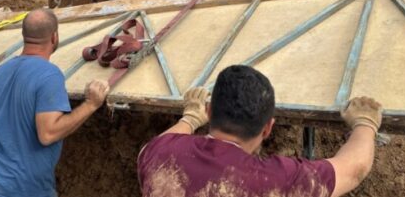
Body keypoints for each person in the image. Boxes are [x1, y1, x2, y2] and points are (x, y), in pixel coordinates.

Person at [138, 65, 382, 197]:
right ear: (268, 129)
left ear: (210, 113)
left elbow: (167, 140)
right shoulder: (277, 181)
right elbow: (353, 170)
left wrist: (190, 118)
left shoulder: (156, 154)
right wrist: (366, 123)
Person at [0, 8, 110, 197]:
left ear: (24, 35)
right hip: (22, 190)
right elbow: (48, 133)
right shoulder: (49, 75)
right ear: (54, 37)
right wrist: (91, 104)